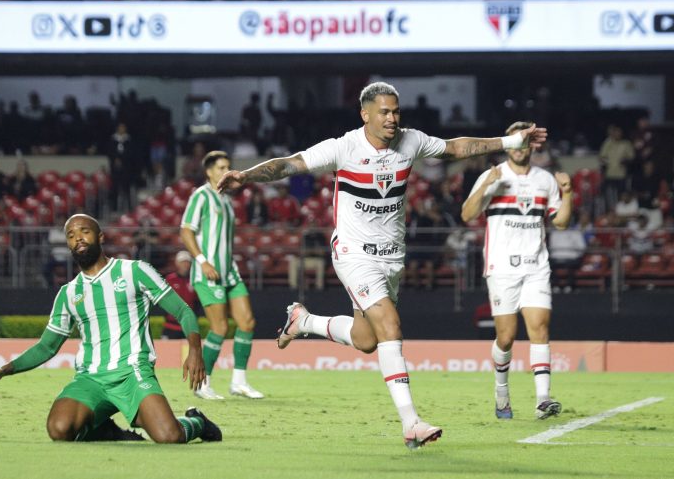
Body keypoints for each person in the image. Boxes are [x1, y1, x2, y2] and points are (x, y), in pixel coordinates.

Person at [217, 82, 547, 448]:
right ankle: (411, 423)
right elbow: (290, 163)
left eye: (396, 111)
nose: (392, 119)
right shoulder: (344, 147)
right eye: (385, 112)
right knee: (390, 324)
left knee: (366, 340)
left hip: (391, 257)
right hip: (354, 253)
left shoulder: (411, 141)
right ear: (366, 115)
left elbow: (457, 148)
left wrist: (511, 142)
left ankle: (305, 321)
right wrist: (246, 176)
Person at [0, 214, 222, 443]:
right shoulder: (68, 293)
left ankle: (196, 422)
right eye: (71, 235)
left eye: (84, 231)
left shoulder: (134, 271)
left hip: (132, 374)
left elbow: (183, 310)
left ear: (100, 237)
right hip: (90, 379)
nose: (77, 238)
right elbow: (47, 346)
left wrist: (195, 350)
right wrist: (3, 371)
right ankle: (104, 428)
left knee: (169, 436)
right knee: (59, 430)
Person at [461, 120, 572, 421]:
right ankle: (501, 391)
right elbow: (467, 214)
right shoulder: (493, 175)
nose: (521, 146)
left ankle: (543, 399)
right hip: (501, 268)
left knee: (540, 328)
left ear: (532, 145)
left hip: (536, 266)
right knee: (506, 337)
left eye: (525, 141)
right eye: (515, 141)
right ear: (509, 144)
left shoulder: (545, 180)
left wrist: (567, 192)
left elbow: (560, 222)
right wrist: (486, 185)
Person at [180, 150, 264, 400]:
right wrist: (203, 261)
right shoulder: (201, 196)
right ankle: (201, 383)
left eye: (227, 167)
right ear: (208, 171)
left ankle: (238, 382)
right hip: (208, 273)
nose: (224, 171)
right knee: (219, 327)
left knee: (247, 322)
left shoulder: (226, 200)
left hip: (229, 272)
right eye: (220, 167)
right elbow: (186, 231)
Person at [163, 251, 200, 340]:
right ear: (177, 263)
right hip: (171, 326)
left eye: (187, 262)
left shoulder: (194, 280)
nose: (185, 265)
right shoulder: (169, 279)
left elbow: (197, 302)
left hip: (188, 326)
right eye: (182, 262)